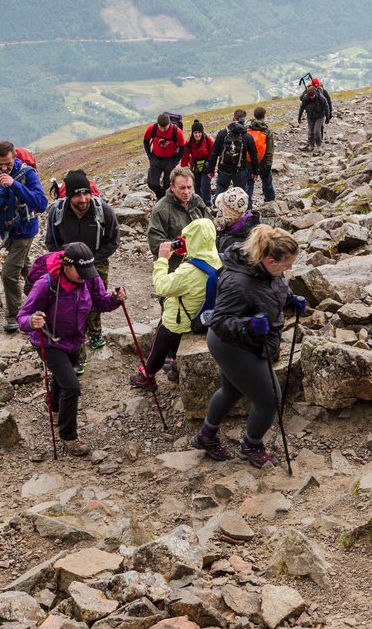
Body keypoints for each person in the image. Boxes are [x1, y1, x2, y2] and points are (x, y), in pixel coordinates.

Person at [191, 225, 306, 467]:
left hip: (247, 341)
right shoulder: (238, 282)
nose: (289, 269)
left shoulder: (269, 271)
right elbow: (219, 321)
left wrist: (290, 300)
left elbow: (273, 290)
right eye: (286, 265)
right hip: (232, 345)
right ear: (270, 259)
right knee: (270, 399)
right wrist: (248, 326)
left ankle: (206, 436)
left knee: (231, 391)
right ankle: (251, 446)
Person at [18, 242, 125, 456]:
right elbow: (21, 316)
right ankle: (69, 436)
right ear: (67, 266)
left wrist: (114, 299)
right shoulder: (46, 284)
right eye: (81, 272)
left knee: (62, 377)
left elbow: (101, 303)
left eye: (88, 271)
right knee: (72, 386)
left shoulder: (90, 278)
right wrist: (32, 321)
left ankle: (55, 407)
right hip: (49, 342)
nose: (85, 277)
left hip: (76, 340)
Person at [130, 218, 222, 391]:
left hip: (177, 321)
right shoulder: (217, 259)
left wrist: (162, 260)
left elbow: (162, 287)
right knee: (175, 347)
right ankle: (175, 370)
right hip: (197, 316)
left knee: (158, 350)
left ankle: (145, 378)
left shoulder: (189, 271)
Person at [0, 140, 48, 332]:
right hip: (4, 231)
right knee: (26, 268)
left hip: (25, 229)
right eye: (1, 164)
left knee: (9, 274)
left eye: (8, 163)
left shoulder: (27, 173)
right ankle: (48, 290)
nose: (5, 167)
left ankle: (15, 317)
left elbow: (41, 203)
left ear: (14, 157)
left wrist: (14, 184)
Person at [45, 169, 120, 350]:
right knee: (71, 302)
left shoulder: (104, 212)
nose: (84, 199)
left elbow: (113, 241)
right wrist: (66, 263)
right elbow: (51, 242)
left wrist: (91, 260)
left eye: (86, 193)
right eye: (78, 195)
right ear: (69, 196)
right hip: (67, 265)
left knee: (95, 299)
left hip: (96, 263)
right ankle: (74, 338)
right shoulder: (57, 213)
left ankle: (95, 333)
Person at [147, 166, 212, 266]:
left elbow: (211, 227)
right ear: (172, 187)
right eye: (182, 188)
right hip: (173, 270)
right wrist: (180, 245)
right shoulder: (161, 210)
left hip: (199, 265)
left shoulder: (197, 201)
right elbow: (156, 245)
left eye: (189, 187)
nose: (186, 192)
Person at [209, 109, 259, 199]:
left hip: (224, 169)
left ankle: (218, 210)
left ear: (233, 118)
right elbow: (254, 156)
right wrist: (255, 171)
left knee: (221, 189)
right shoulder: (247, 136)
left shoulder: (222, 133)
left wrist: (210, 169)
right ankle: (240, 212)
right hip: (240, 170)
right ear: (244, 120)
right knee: (240, 195)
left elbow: (214, 153)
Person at [143, 112, 185, 200]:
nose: (162, 130)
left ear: (169, 124)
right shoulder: (152, 128)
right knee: (152, 183)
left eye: (165, 128)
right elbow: (146, 141)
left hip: (170, 159)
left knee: (167, 184)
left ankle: (163, 200)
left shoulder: (177, 131)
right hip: (156, 158)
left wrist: (175, 161)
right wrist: (150, 156)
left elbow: (182, 148)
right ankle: (160, 196)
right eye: (160, 127)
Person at [215, 186, 258, 253]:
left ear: (227, 215)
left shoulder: (232, 242)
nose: (218, 213)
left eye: (220, 210)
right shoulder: (249, 222)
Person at [180, 120, 214, 204]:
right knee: (197, 185)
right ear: (192, 133)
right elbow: (185, 155)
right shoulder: (189, 142)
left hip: (207, 165)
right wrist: (183, 169)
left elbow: (213, 154)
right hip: (195, 166)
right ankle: (199, 203)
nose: (197, 135)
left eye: (199, 132)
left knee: (205, 184)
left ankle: (208, 204)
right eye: (195, 132)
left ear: (202, 132)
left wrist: (211, 169)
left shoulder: (208, 140)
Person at [246, 106, 275, 204]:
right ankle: (269, 202)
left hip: (249, 163)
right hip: (263, 163)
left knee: (249, 185)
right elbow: (269, 151)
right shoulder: (267, 131)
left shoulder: (247, 130)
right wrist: (268, 164)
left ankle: (247, 206)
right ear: (264, 116)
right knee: (267, 183)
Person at [297, 78, 333, 152]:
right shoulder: (306, 98)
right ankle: (311, 145)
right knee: (311, 131)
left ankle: (319, 145)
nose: (312, 97)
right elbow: (302, 107)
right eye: (310, 96)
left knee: (317, 131)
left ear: (315, 93)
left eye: (312, 96)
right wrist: (299, 117)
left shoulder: (321, 97)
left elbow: (326, 106)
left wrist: (328, 116)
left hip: (320, 116)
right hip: (310, 116)